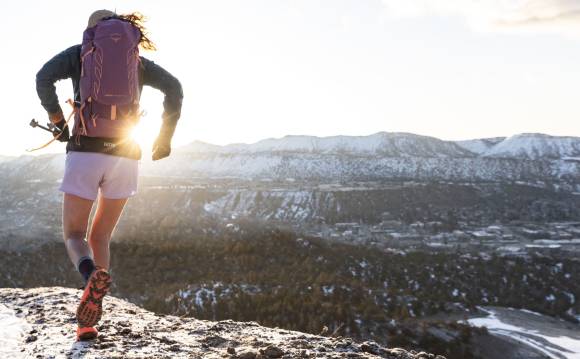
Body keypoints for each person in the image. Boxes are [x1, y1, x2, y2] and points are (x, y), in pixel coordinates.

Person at [35, 9, 183, 341]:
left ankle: (89, 278)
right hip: (126, 156)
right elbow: (174, 87)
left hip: (85, 151)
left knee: (75, 236)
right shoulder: (136, 62)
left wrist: (58, 121)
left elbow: (43, 77)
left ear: (91, 34)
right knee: (100, 236)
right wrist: (164, 139)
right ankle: (88, 321)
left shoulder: (80, 54)